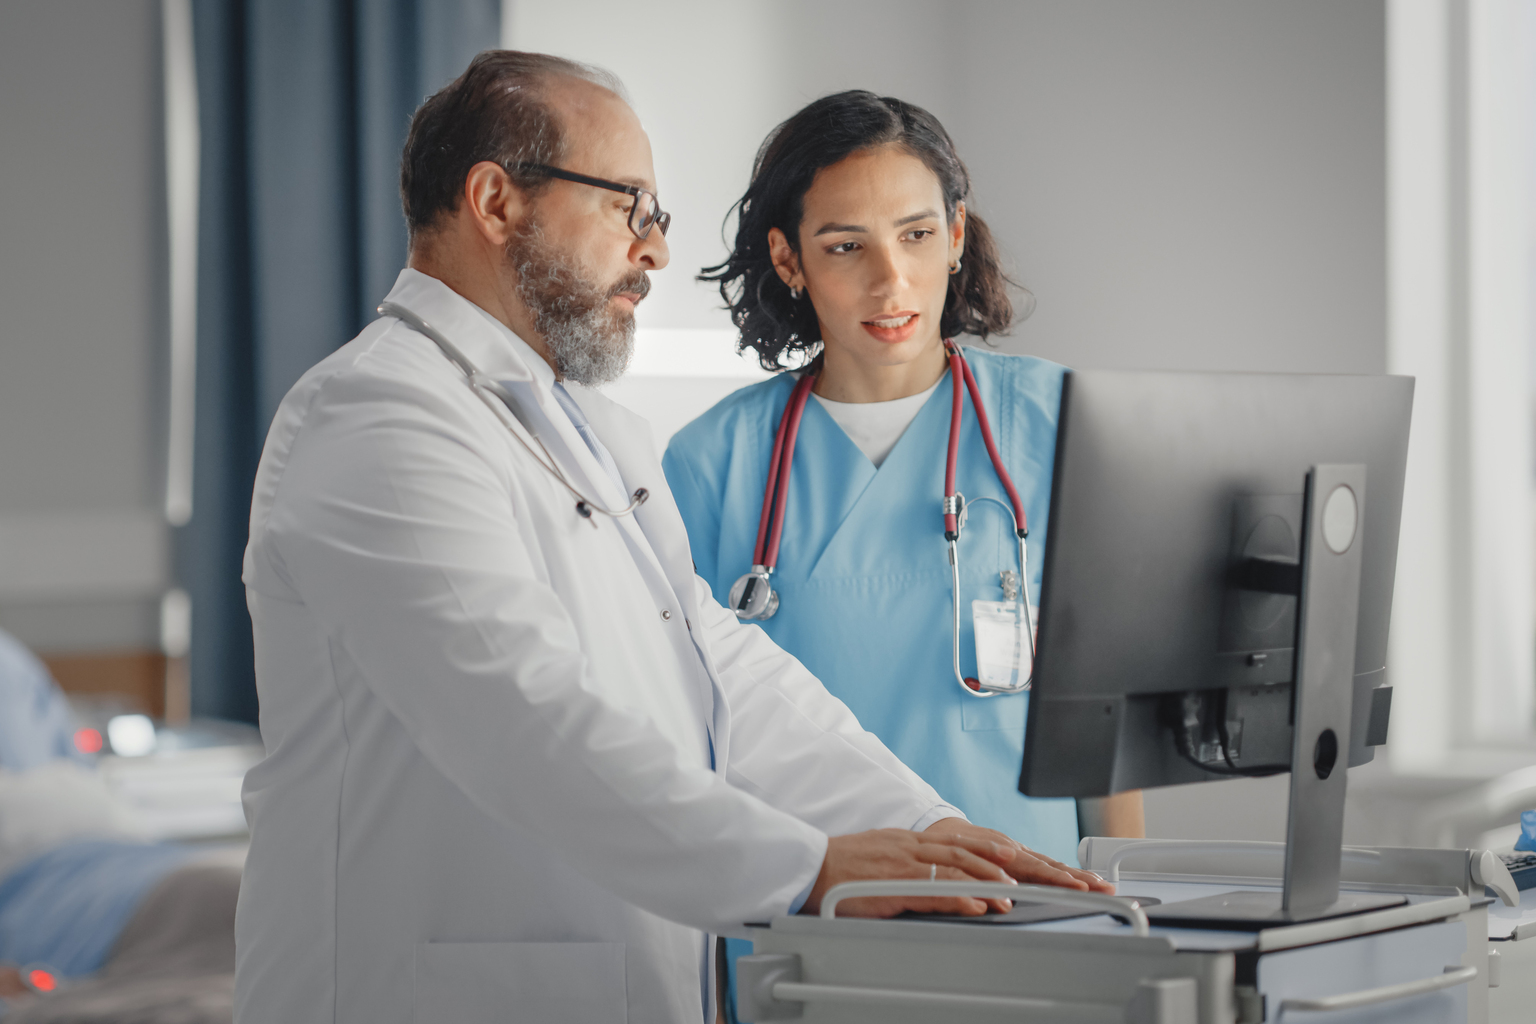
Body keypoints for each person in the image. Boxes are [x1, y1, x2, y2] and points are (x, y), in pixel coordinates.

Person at [234, 52, 1110, 1024]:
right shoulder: (379, 418)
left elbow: (730, 675)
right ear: (495, 201)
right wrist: (811, 866)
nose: (652, 250)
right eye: (627, 205)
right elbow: (523, 717)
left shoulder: (596, 433)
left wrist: (928, 826)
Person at [662, 91, 1146, 1011]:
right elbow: (690, 748)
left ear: (958, 234)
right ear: (787, 257)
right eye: (846, 246)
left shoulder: (1063, 422)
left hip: (1037, 912)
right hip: (816, 923)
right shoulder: (710, 464)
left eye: (918, 235)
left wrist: (1127, 914)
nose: (892, 283)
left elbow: (1108, 728)